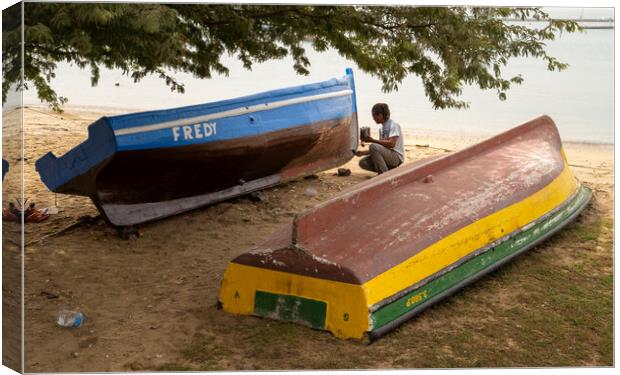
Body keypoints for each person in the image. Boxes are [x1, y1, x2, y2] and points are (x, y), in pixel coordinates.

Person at [356, 103, 405, 174]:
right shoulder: (381, 129)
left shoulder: (393, 125)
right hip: (388, 155)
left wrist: (372, 140)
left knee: (373, 146)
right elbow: (379, 149)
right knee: (363, 162)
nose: (373, 118)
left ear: (381, 115)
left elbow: (391, 144)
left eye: (374, 116)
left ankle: (383, 174)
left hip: (396, 157)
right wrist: (362, 153)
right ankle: (388, 170)